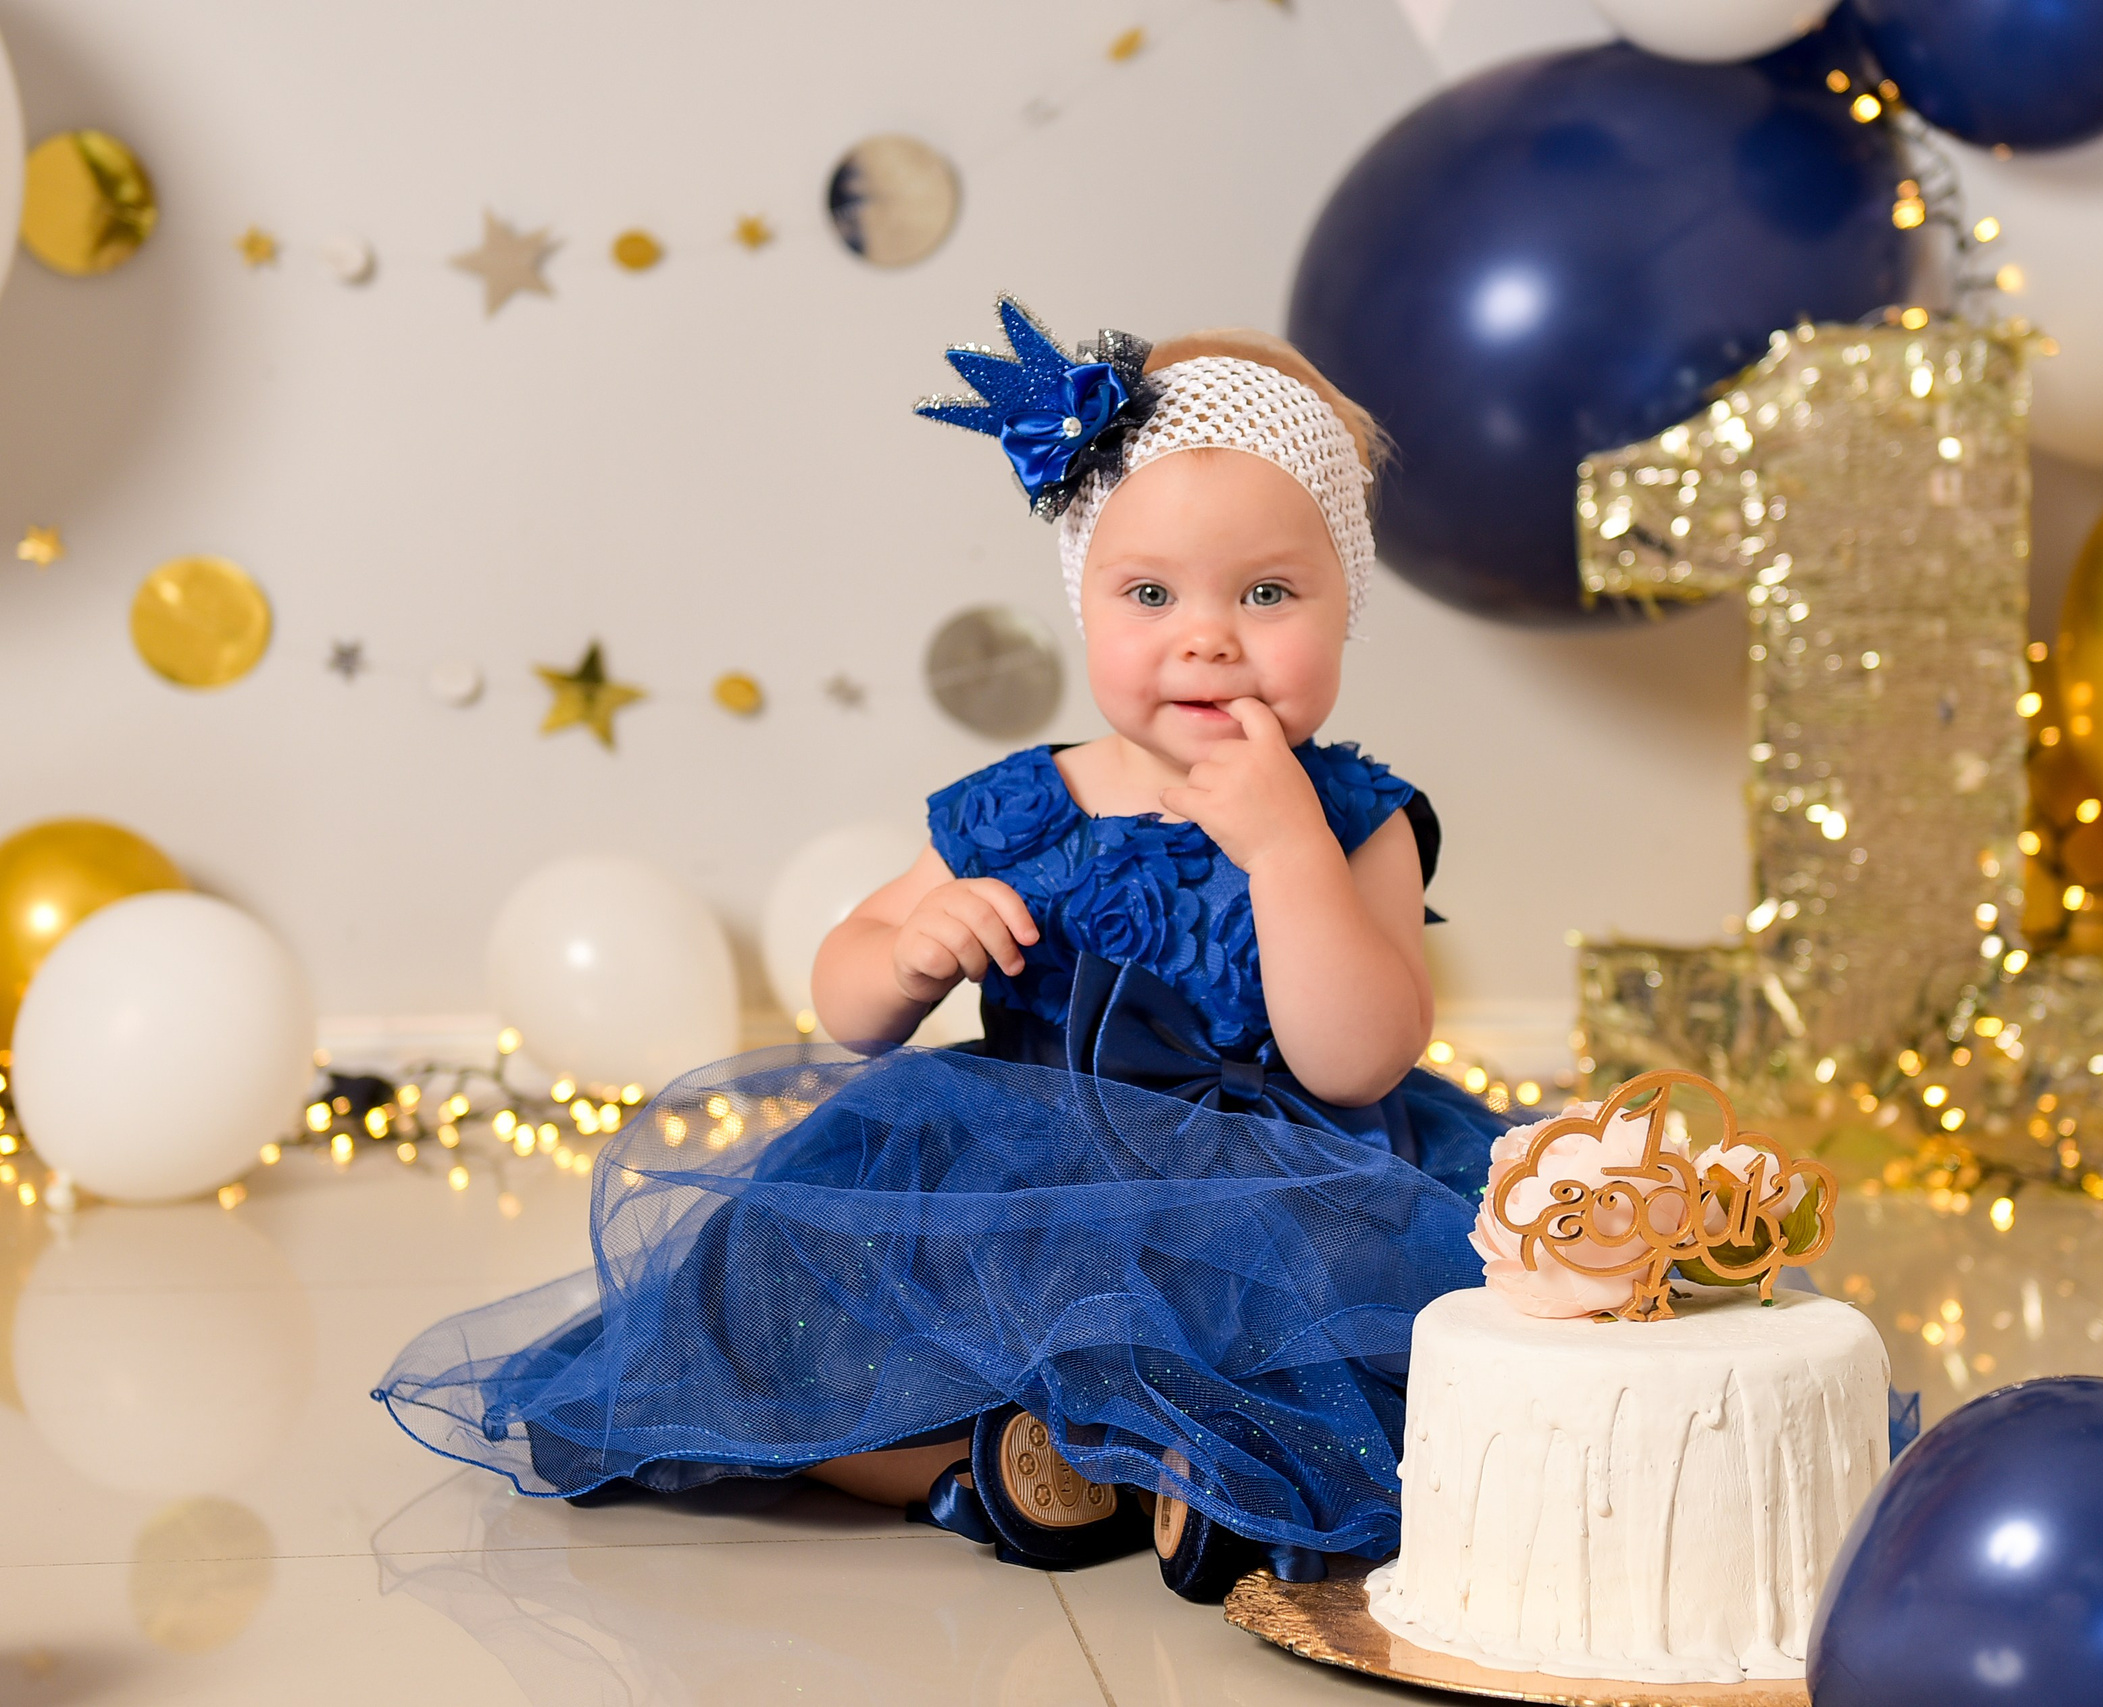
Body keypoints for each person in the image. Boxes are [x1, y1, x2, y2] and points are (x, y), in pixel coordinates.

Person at [375, 299, 1511, 1604]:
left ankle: (1199, 1469)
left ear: (1345, 605)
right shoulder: (1031, 803)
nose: (1206, 636)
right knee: (781, 1330)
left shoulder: (1356, 818)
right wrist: (910, 952)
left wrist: (1290, 853)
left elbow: (1358, 1057)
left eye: (1267, 593)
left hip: (1275, 1188)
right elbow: (846, 994)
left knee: (1396, 1359)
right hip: (1019, 1171)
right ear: (1084, 598)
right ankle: (973, 1468)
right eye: (1150, 594)